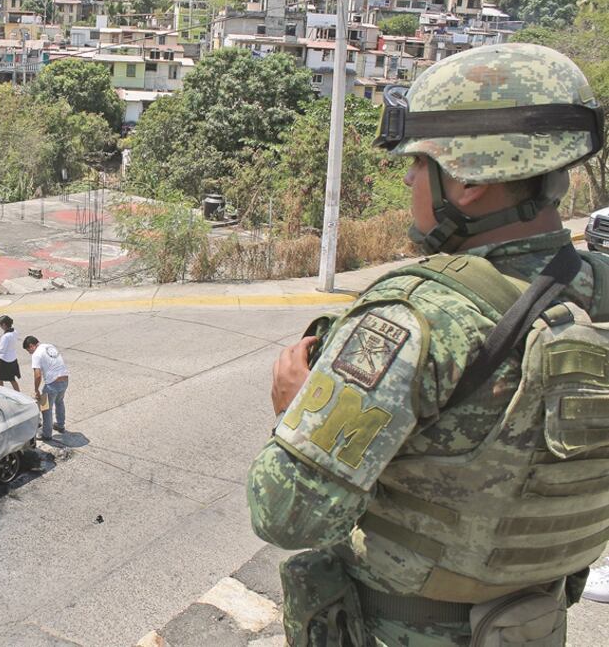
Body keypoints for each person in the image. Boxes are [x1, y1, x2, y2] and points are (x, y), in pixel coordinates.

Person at [247, 43, 609, 646]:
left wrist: (293, 409)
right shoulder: (602, 292)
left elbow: (285, 514)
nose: (411, 178)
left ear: (466, 180)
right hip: (533, 626)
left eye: (418, 163)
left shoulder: (418, 316)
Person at [23, 335, 69, 441]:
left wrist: (36, 390)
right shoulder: (49, 346)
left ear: (31, 346)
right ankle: (60, 426)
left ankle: (46, 434)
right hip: (65, 379)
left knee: (45, 409)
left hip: (52, 384)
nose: (30, 353)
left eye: (28, 351)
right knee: (59, 402)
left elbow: (37, 375)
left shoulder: (36, 354)